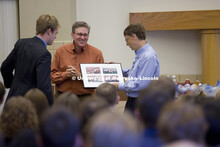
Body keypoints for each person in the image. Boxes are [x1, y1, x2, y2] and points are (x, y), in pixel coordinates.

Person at [0, 14, 60, 105]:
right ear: (49, 31)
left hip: (12, 100)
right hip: (29, 104)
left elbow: (5, 67)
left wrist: (12, 85)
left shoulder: (21, 43)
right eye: (56, 33)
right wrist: (50, 109)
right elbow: (44, 86)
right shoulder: (44, 54)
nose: (55, 37)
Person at [51, 21, 104, 100]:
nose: (82, 37)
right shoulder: (61, 51)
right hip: (62, 97)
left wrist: (80, 76)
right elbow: (52, 77)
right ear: (72, 35)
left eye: (85, 35)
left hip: (86, 98)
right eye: (79, 34)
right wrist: (66, 74)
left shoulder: (96, 54)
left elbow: (100, 81)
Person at [113, 23, 160, 113]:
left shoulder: (148, 56)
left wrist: (120, 86)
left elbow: (141, 84)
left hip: (140, 102)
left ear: (134, 37)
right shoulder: (141, 54)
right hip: (134, 100)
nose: (127, 44)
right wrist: (117, 69)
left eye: (127, 40)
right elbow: (135, 73)